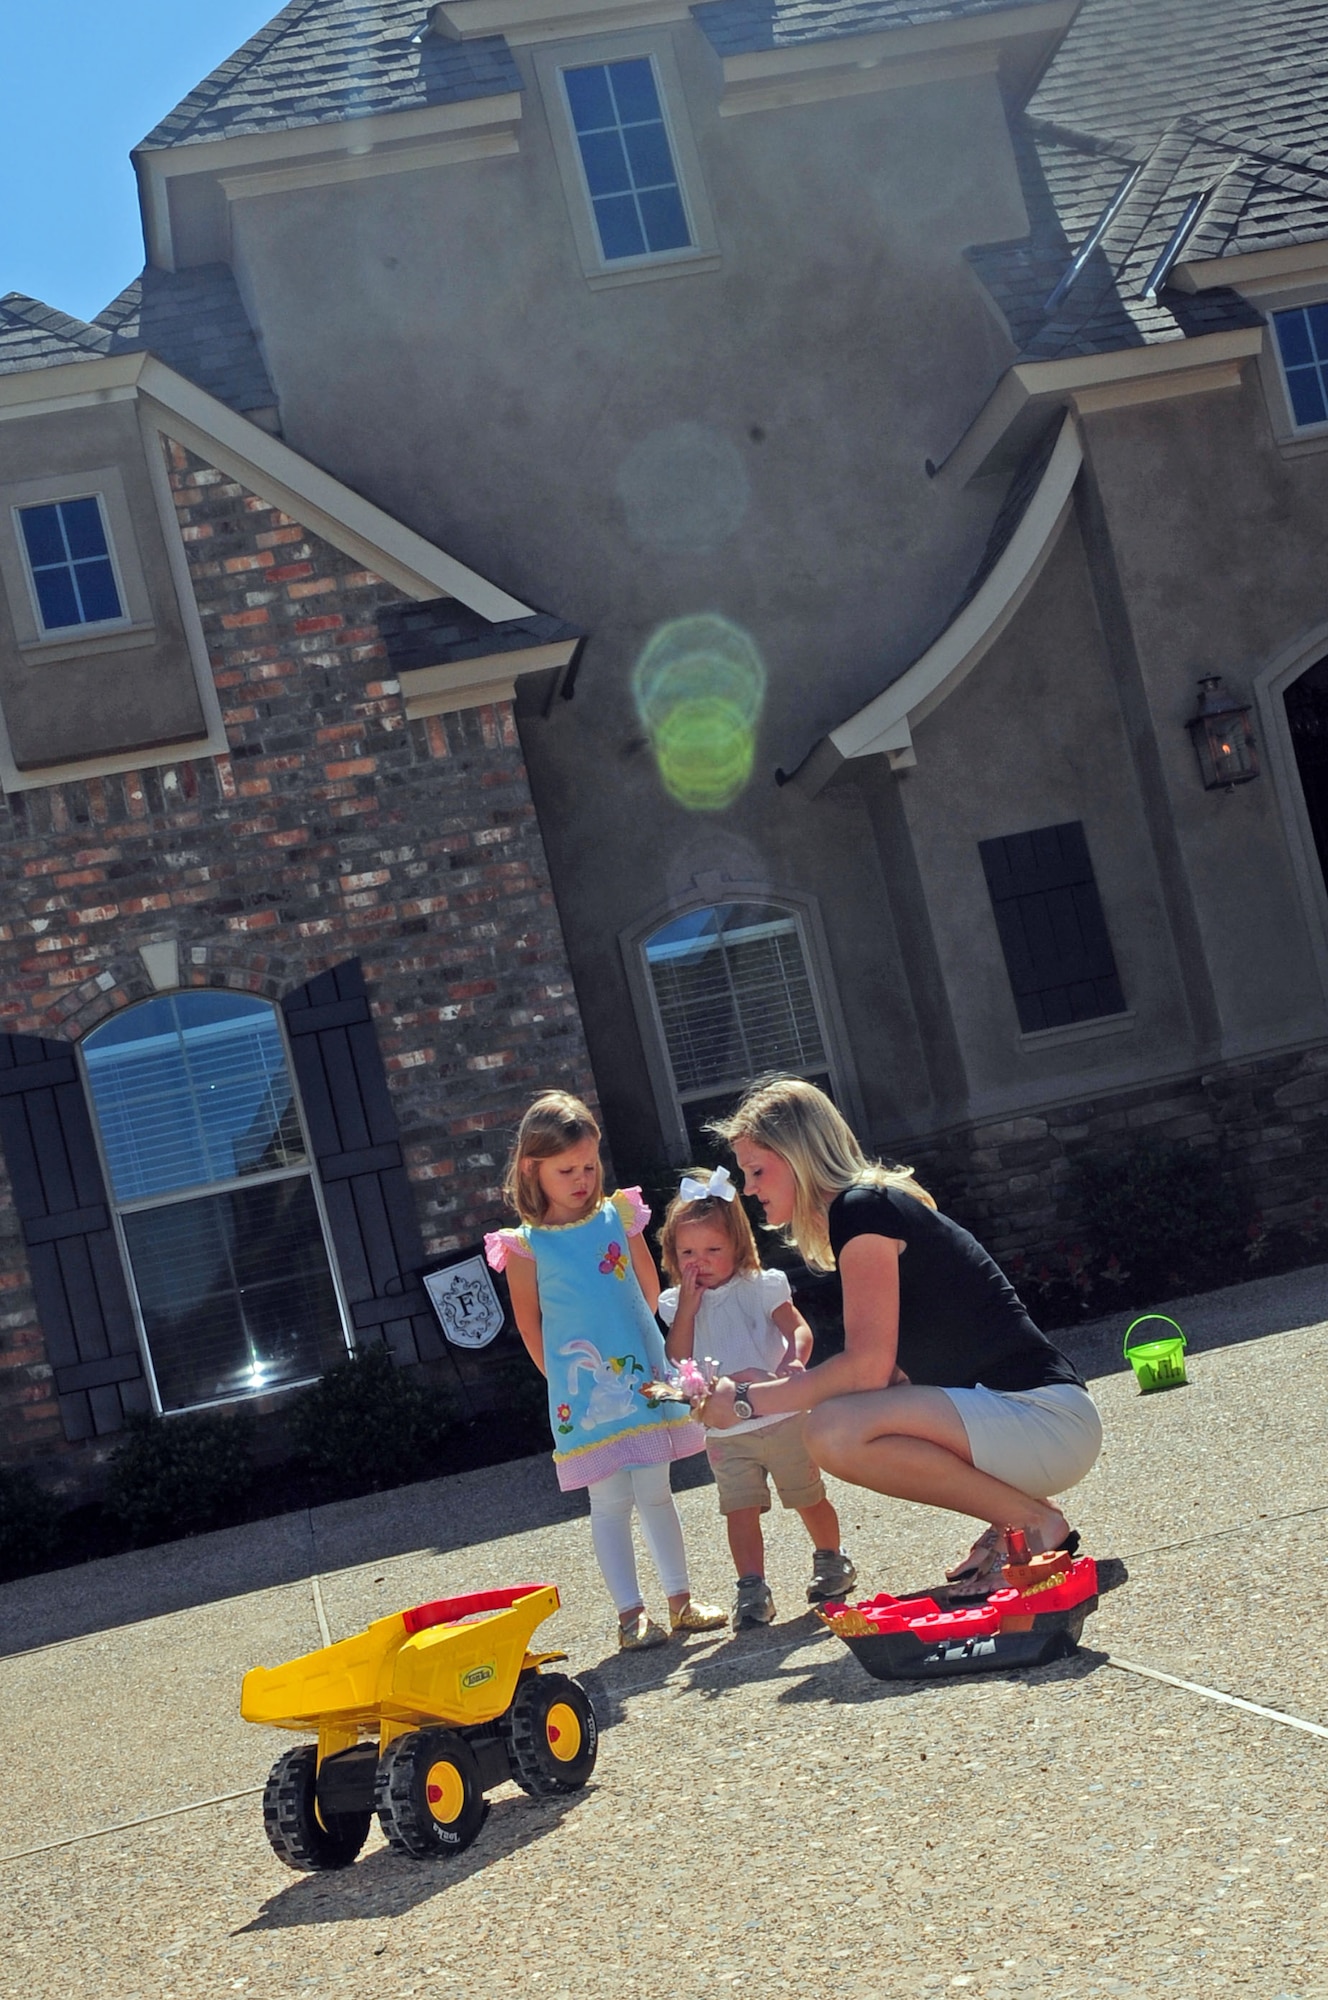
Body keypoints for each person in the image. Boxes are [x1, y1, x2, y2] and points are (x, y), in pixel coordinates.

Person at [692, 1078, 1102, 1596]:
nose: (749, 1188)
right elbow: (888, 1378)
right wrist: (777, 1385)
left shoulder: (861, 1210)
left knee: (831, 1432)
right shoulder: (871, 1207)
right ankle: (1021, 1520)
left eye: (757, 1170)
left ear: (798, 1157)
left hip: (1044, 1421)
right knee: (837, 1419)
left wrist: (750, 1402)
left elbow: (868, 1368)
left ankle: (1030, 1524)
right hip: (1036, 1423)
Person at [484, 1091, 727, 1649]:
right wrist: (560, 1386)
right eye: (566, 1170)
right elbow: (529, 1323)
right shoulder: (525, 1246)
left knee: (657, 1490)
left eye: (589, 1166)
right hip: (584, 1394)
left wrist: (662, 1353)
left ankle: (681, 1600)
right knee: (609, 1501)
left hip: (643, 1378)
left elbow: (648, 1288)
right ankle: (629, 1614)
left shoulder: (620, 1215)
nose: (582, 1179)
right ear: (531, 1169)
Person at [657, 1165, 856, 1627]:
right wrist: (688, 1306)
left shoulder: (760, 1285)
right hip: (727, 1430)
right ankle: (751, 1587)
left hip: (781, 1415)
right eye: (687, 1251)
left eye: (712, 1249)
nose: (699, 1261)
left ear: (737, 1246)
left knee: (806, 1494)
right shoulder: (677, 1303)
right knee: (739, 1509)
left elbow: (797, 1328)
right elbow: (678, 1356)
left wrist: (794, 1357)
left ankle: (831, 1559)